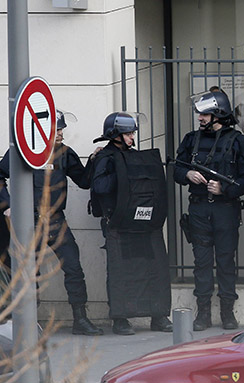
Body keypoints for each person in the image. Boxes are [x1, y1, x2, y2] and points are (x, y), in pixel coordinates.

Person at [0, 109, 104, 336]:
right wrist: (8, 205)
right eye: (56, 129)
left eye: (60, 129)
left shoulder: (64, 153)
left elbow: (84, 181)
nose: (61, 133)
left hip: (56, 221)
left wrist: (93, 160)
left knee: (73, 267)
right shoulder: (22, 152)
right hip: (30, 222)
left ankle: (80, 319)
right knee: (29, 274)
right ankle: (27, 324)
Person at [174, 91, 244, 331]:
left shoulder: (238, 141)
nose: (200, 118)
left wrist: (225, 189)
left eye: (205, 113)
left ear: (218, 114)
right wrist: (187, 174)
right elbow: (177, 170)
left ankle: (227, 312)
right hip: (199, 209)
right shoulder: (191, 139)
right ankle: (204, 314)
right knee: (201, 263)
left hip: (225, 210)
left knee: (225, 261)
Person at [90, 111, 172, 335]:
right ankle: (120, 318)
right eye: (128, 133)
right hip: (118, 225)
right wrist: (122, 175)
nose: (132, 138)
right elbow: (99, 187)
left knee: (155, 268)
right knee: (120, 272)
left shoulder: (136, 156)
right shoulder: (105, 158)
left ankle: (159, 314)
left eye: (133, 133)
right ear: (115, 134)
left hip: (144, 225)